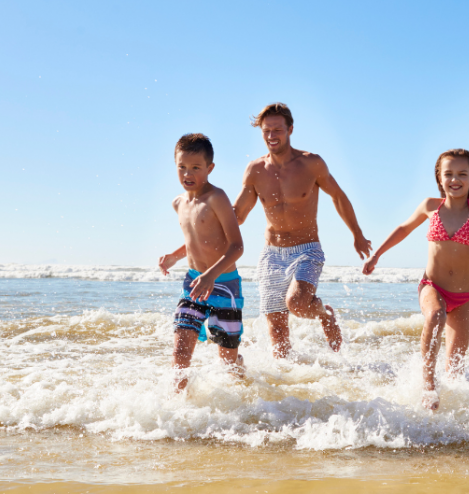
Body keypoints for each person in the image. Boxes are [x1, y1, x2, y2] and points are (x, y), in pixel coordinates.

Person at [363, 149, 469, 410]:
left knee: (455, 368)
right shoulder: (430, 206)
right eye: (448, 173)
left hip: (464, 296)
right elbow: (404, 228)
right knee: (435, 315)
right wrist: (377, 255)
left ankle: (447, 421)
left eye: (462, 173)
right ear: (440, 177)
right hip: (432, 286)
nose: (455, 179)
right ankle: (427, 387)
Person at [234, 103, 371, 358]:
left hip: (307, 250)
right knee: (276, 327)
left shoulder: (311, 163)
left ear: (290, 130)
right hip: (271, 255)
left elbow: (338, 196)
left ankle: (324, 313)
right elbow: (237, 215)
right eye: (266, 131)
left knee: (296, 304)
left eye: (277, 130)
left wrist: (357, 235)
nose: (271, 136)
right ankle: (287, 385)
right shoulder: (255, 170)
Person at [158, 134, 246, 391]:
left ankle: (242, 388)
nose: (188, 173)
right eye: (182, 167)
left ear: (210, 168)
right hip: (194, 283)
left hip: (225, 286)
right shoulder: (178, 203)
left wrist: (211, 274)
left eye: (196, 167)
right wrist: (175, 256)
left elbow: (236, 246)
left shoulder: (217, 198)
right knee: (181, 349)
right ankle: (177, 407)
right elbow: (197, 239)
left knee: (227, 360)